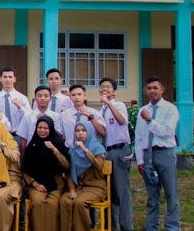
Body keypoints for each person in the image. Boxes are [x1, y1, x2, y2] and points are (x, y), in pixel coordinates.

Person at [135, 76, 180, 231]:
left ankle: (172, 227)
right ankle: (151, 227)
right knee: (152, 196)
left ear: (162, 89)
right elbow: (139, 137)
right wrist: (140, 160)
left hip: (165, 153)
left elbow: (167, 132)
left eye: (155, 88)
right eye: (149, 88)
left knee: (170, 193)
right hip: (148, 155)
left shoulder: (170, 109)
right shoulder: (143, 110)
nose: (152, 91)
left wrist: (150, 121)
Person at [21, 116, 69, 231]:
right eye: (40, 127)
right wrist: (34, 183)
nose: (42, 130)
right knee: (37, 203)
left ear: (51, 129)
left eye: (46, 128)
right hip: (36, 184)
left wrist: (54, 150)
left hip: (55, 184)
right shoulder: (32, 145)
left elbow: (66, 165)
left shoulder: (57, 143)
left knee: (52, 204)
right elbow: (24, 169)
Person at [98, 77, 133, 231]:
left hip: (119, 151)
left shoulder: (118, 105)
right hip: (107, 152)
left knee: (122, 191)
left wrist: (108, 103)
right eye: (102, 87)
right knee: (109, 192)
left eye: (108, 87)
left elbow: (121, 121)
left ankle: (126, 226)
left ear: (114, 91)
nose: (104, 89)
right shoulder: (102, 110)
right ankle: (110, 226)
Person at [60, 122, 107, 231]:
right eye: (77, 130)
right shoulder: (74, 151)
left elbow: (99, 166)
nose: (80, 133)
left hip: (96, 188)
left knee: (79, 202)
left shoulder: (97, 148)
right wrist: (71, 189)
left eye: (83, 130)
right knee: (65, 200)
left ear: (89, 132)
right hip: (79, 188)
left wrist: (85, 150)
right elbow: (70, 173)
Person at [16, 85, 61, 154]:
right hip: (32, 151)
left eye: (46, 96)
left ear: (50, 99)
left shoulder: (55, 116)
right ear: (35, 98)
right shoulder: (28, 116)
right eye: (39, 96)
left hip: (50, 151)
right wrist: (23, 156)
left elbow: (59, 135)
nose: (42, 98)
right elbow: (23, 138)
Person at [0, 67, 30, 142]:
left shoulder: (22, 98)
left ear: (14, 79)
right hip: (0, 136)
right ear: (0, 79)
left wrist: (20, 107)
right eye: (5, 77)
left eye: (10, 77)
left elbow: (29, 117)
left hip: (18, 136)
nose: (7, 79)